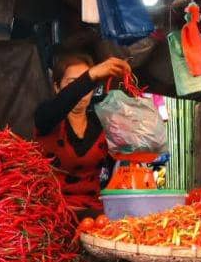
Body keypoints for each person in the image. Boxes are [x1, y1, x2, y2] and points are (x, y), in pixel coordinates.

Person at [34, 53, 131, 214]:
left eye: (87, 87)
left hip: (94, 213)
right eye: (73, 84)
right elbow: (60, 104)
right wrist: (91, 76)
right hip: (53, 214)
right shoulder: (47, 119)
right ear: (57, 87)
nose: (82, 92)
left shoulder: (102, 122)